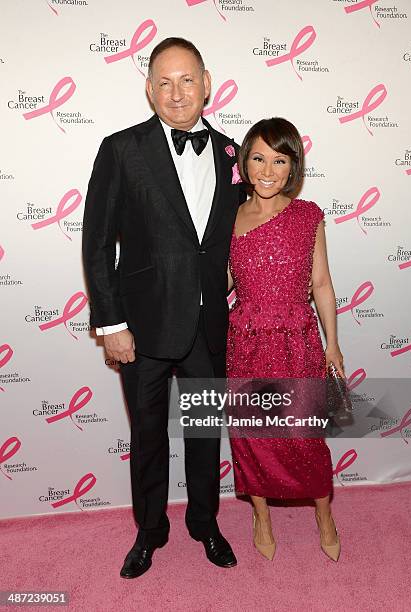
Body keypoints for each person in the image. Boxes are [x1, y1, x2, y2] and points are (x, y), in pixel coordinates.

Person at [82, 37, 247, 579]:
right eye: (165, 82)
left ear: (207, 83)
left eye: (188, 80)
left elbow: (238, 233)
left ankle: (206, 523)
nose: (178, 93)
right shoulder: (121, 149)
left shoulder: (231, 154)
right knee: (148, 436)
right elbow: (98, 242)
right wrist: (112, 324)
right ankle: (150, 532)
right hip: (142, 327)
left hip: (207, 326)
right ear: (149, 88)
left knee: (204, 433)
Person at [226, 117, 344, 562]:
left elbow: (322, 285)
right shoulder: (230, 217)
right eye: (259, 158)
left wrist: (332, 344)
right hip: (247, 341)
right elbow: (223, 284)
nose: (268, 170)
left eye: (280, 160)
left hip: (297, 341)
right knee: (252, 435)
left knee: (304, 437)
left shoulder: (307, 215)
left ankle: (324, 515)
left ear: (293, 165)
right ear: (245, 161)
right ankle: (261, 516)